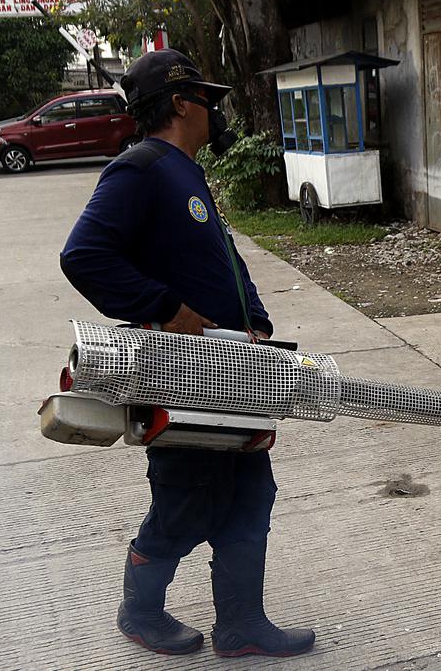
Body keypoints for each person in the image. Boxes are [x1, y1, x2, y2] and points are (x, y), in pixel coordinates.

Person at [59, 49, 315, 658]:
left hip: (232, 367)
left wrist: (254, 321)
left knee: (250, 492)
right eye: (208, 99)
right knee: (184, 502)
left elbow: (221, 261)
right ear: (180, 103)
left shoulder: (187, 172)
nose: (214, 111)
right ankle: (140, 611)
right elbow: (84, 255)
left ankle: (240, 625)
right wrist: (167, 311)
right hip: (183, 376)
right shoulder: (141, 169)